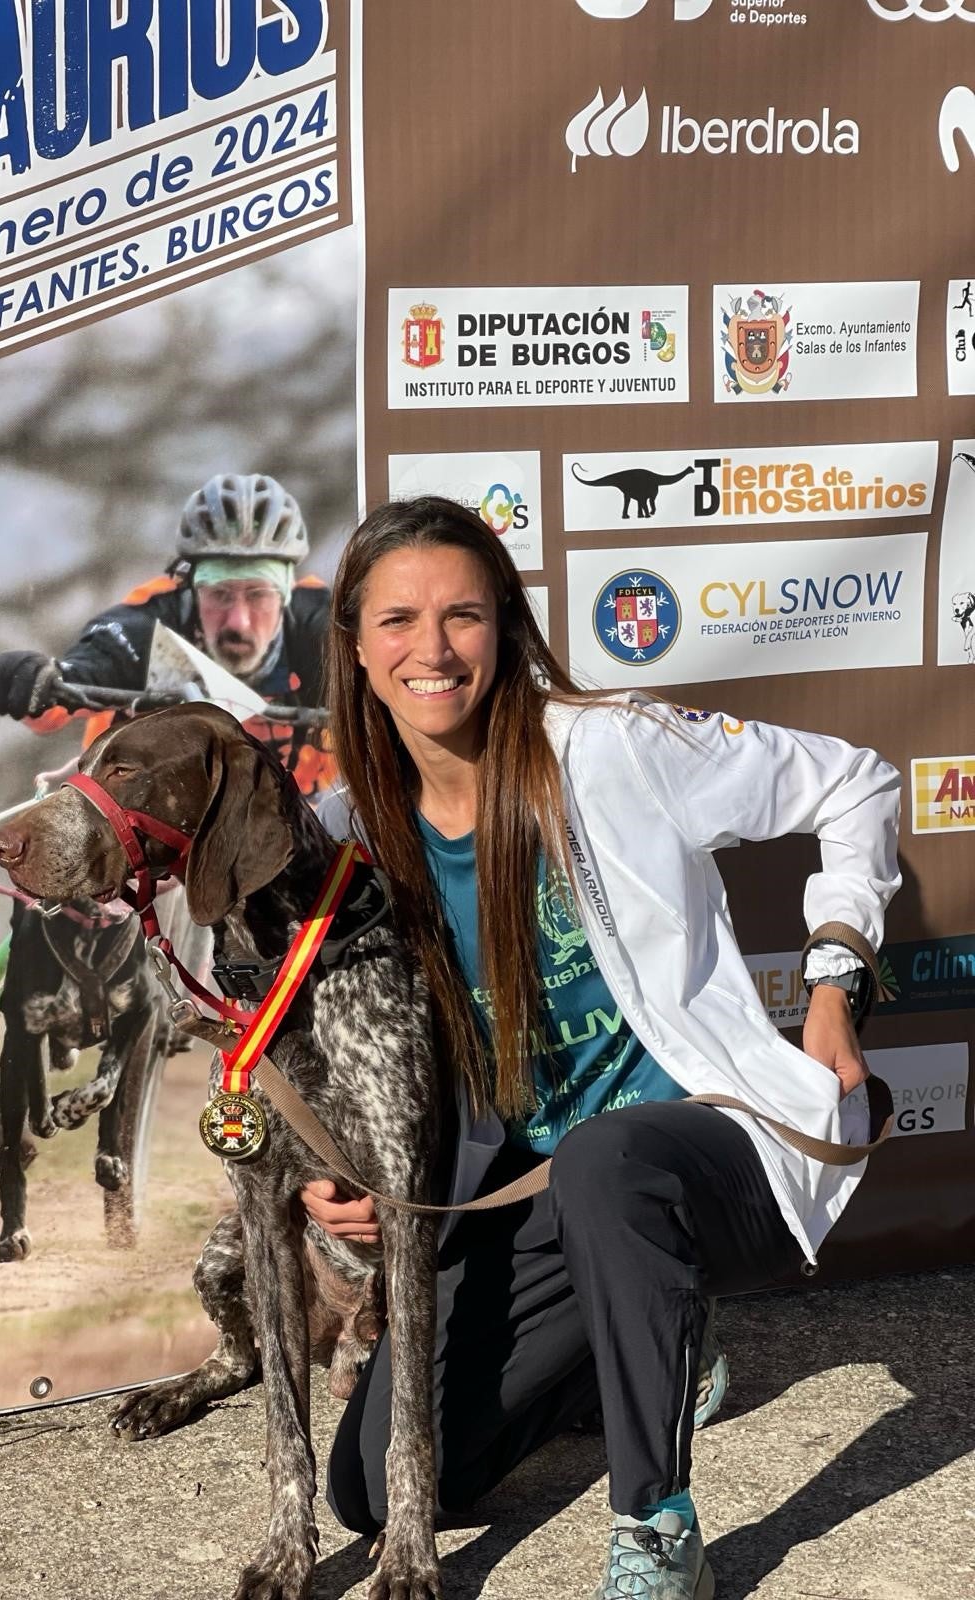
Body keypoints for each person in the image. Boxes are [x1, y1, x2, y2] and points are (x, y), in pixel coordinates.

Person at [308, 496, 899, 1600]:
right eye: (396, 621)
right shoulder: (352, 832)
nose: (430, 650)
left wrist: (833, 983)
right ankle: (642, 1347)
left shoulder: (613, 746)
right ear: (354, 643)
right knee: (381, 1492)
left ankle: (655, 1523)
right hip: (532, 1190)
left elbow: (856, 778)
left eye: (463, 616)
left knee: (608, 1157)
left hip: (712, 1156)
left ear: (507, 626)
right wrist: (330, 1171)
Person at [0, 471, 335, 798]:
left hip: (301, 826)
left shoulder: (320, 625)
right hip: (152, 833)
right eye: (220, 595)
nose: (238, 621)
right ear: (191, 588)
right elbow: (87, 669)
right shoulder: (148, 624)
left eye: (258, 595)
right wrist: (39, 679)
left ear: (287, 593)